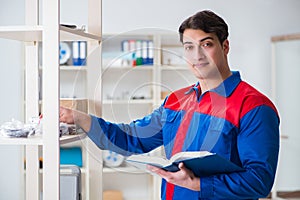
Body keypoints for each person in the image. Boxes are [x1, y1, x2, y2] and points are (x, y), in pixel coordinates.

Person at [60, 10, 280, 200]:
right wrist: (80, 118)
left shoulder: (254, 107)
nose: (197, 56)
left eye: (206, 44)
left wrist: (199, 185)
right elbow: (131, 138)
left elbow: (259, 180)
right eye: (189, 47)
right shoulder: (176, 101)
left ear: (225, 46)